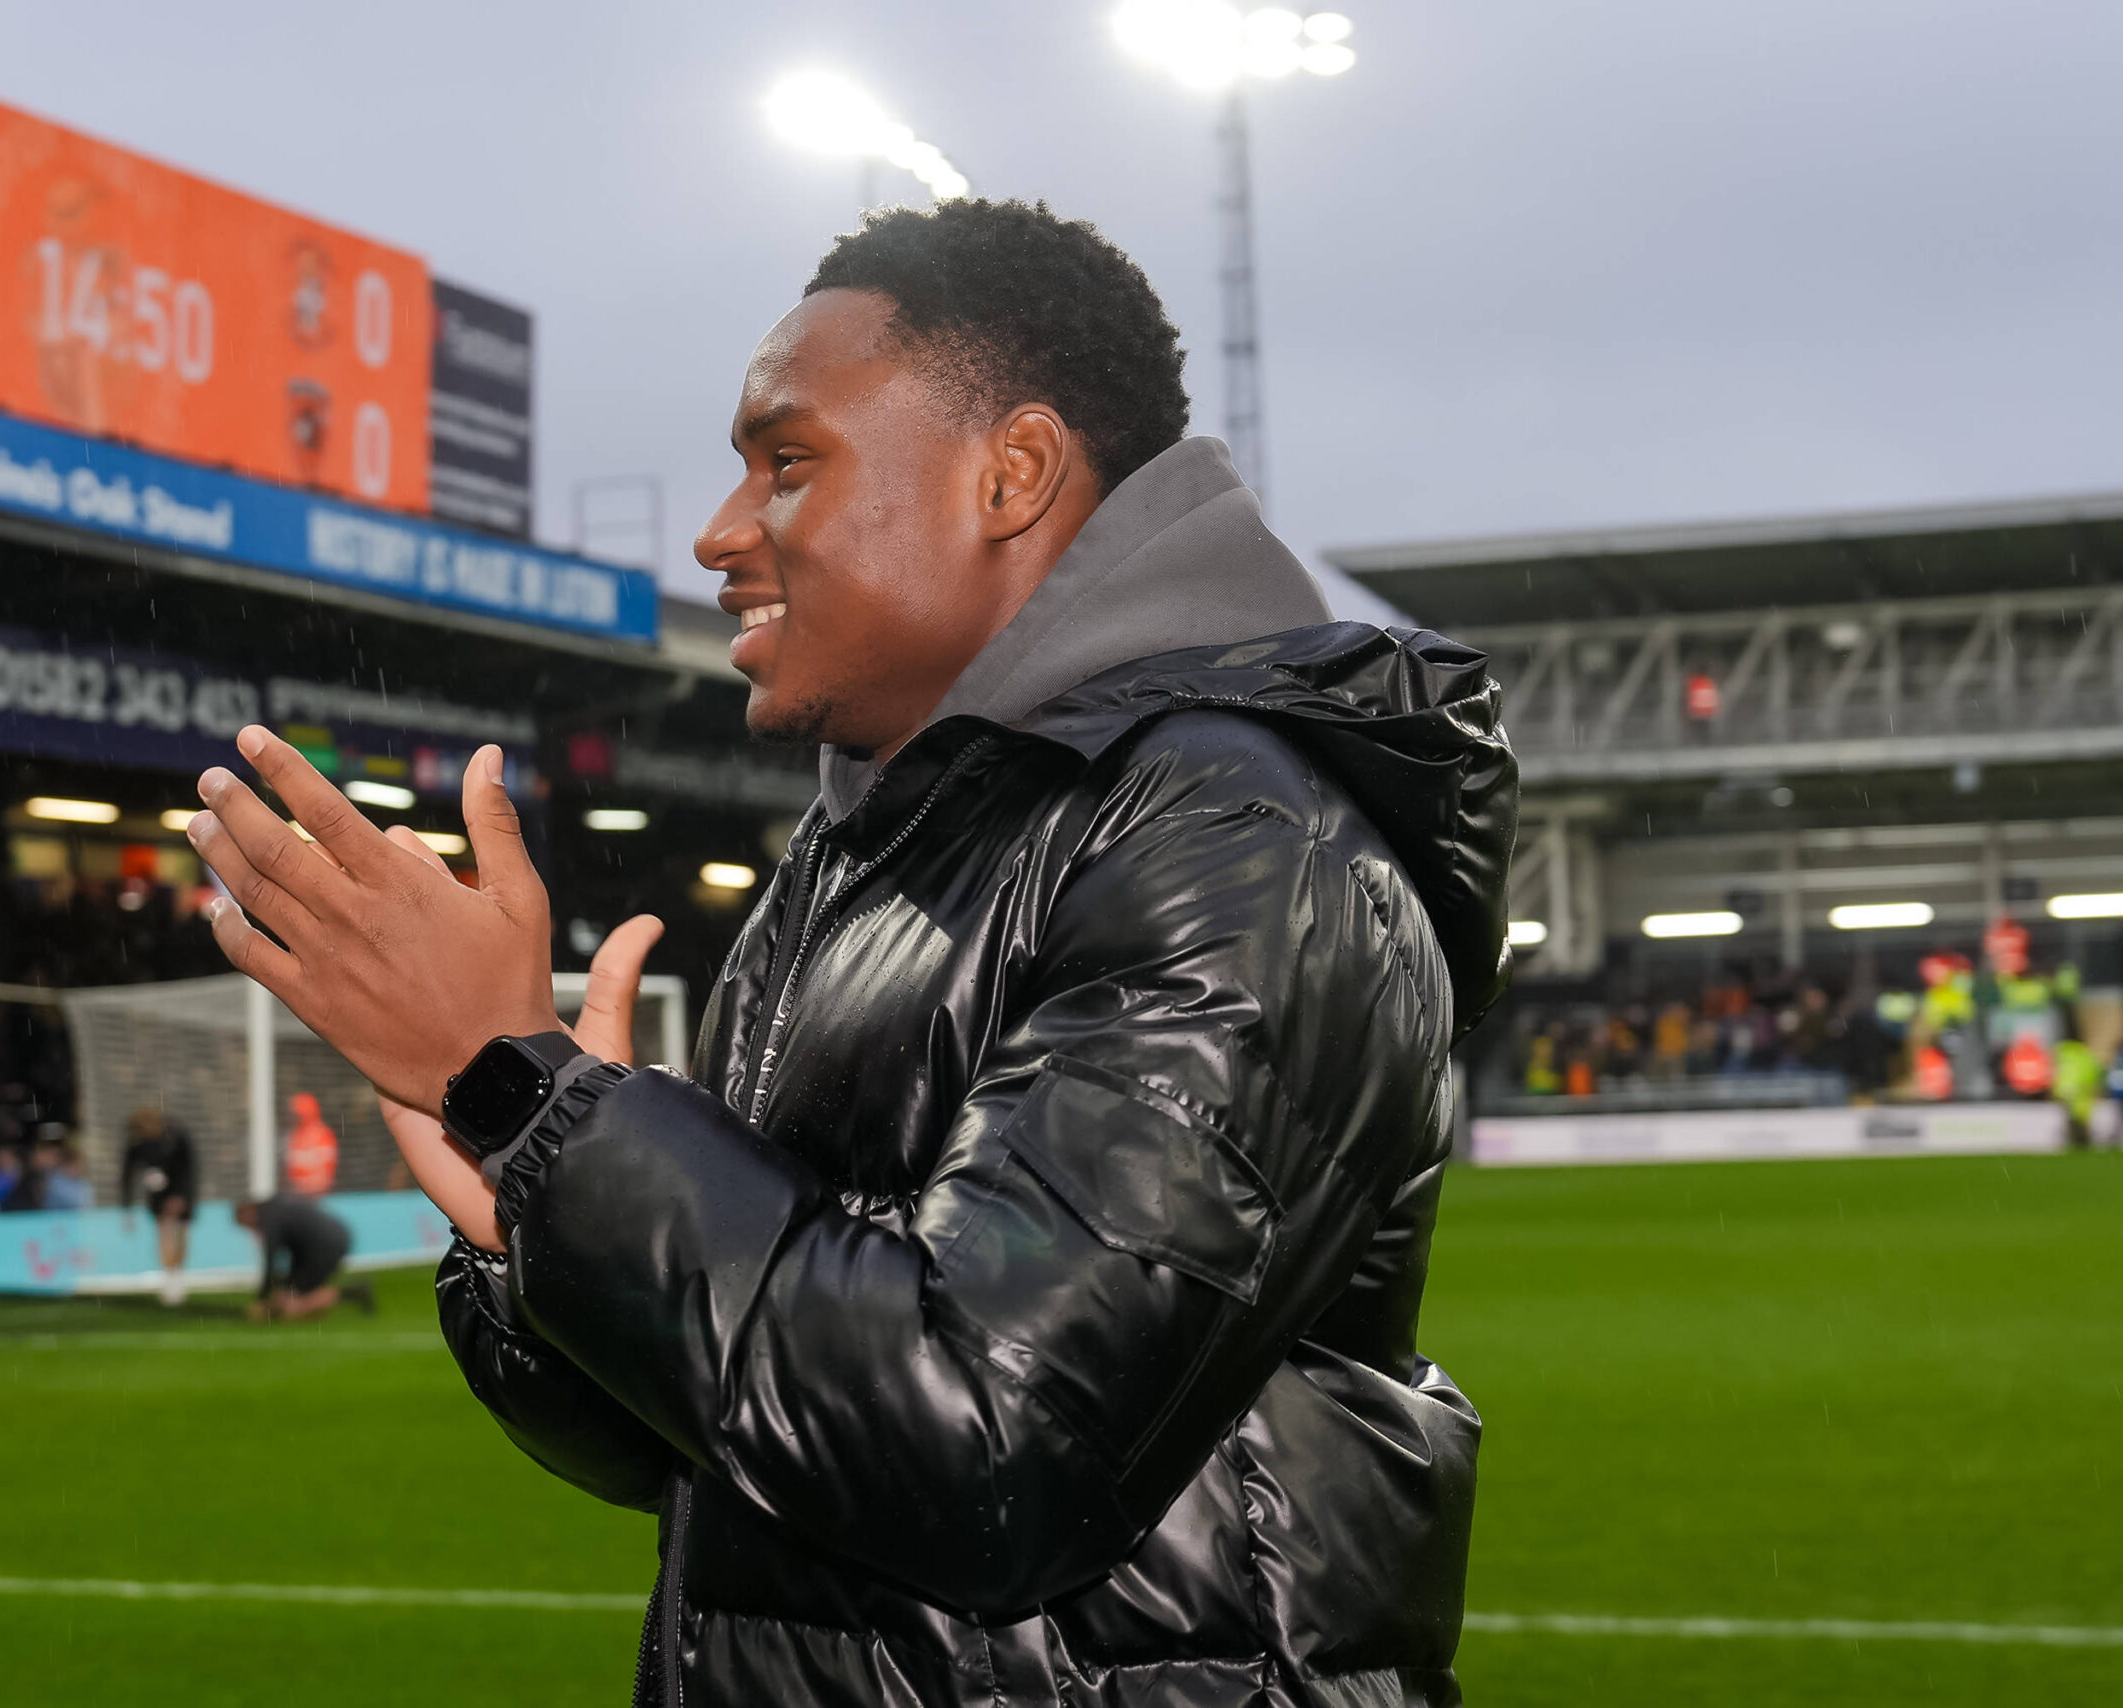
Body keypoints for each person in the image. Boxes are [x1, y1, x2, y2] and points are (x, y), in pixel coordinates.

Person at [184, 201, 1513, 1708]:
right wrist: (534, 1209)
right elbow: (733, 1442)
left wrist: (540, 1100)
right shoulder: (864, 859)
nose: (719, 530)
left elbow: (991, 1449)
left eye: (788, 459)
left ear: (1010, 473)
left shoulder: (1239, 838)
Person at [233, 1194, 372, 1321]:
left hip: (325, 1246)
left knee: (294, 1301)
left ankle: (350, 1294)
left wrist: (262, 1298)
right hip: (328, 1242)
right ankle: (351, 1294)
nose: (251, 1229)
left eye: (248, 1225)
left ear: (249, 1211)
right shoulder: (276, 1206)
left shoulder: (270, 1219)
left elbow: (271, 1259)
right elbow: (296, 1249)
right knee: (293, 1290)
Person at [118, 1108, 197, 1304]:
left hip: (181, 1194)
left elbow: (189, 1168)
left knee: (180, 1237)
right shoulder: (137, 1142)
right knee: (165, 1236)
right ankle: (170, 1282)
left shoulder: (176, 1137)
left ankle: (177, 1279)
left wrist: (181, 1196)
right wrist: (126, 1208)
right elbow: (127, 1175)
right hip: (159, 1197)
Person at [281, 1091, 337, 1196]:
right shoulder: (294, 1134)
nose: (293, 1117)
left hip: (316, 1194)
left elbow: (326, 1170)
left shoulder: (322, 1134)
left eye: (296, 1113)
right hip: (296, 1193)